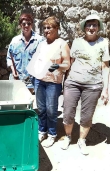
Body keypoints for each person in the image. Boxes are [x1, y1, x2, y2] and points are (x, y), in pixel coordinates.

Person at [61, 14, 110, 155]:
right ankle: (68, 136)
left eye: (94, 25)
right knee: (68, 112)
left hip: (93, 85)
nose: (91, 27)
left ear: (98, 27)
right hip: (72, 83)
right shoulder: (76, 42)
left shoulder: (103, 43)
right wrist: (64, 82)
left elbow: (105, 67)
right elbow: (69, 62)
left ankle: (81, 140)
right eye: (89, 25)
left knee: (87, 116)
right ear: (84, 27)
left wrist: (105, 90)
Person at [30, 16, 70, 147]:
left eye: (49, 27)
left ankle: (52, 134)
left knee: (51, 110)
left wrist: (58, 66)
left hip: (53, 83)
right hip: (39, 81)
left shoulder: (62, 44)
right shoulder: (41, 44)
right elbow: (36, 60)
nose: (46, 30)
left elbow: (67, 64)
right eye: (45, 28)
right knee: (41, 108)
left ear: (57, 29)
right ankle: (42, 131)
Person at [6, 13, 44, 93]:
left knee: (28, 102)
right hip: (16, 79)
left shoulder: (39, 40)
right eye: (23, 24)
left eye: (29, 23)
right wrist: (13, 72)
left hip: (32, 81)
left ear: (32, 24)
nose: (26, 26)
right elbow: (9, 58)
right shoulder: (15, 41)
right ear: (20, 25)